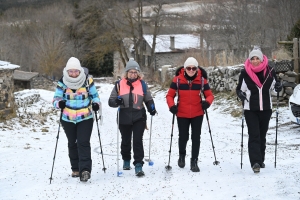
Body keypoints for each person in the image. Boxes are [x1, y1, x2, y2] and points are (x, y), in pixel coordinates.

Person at [52, 57, 101, 182]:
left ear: (80, 71)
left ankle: (85, 170)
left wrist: (96, 104)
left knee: (83, 142)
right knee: (72, 143)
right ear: (67, 71)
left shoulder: (87, 81)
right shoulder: (62, 82)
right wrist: (59, 104)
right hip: (68, 119)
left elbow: (95, 96)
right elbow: (55, 99)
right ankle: (75, 168)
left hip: (85, 117)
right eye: (71, 71)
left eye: (76, 71)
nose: (73, 74)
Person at [236, 46, 282, 173]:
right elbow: (239, 89)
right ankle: (255, 162)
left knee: (262, 135)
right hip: (250, 109)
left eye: (257, 58)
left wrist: (278, 87)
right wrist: (240, 94)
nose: (255, 61)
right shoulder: (245, 72)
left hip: (266, 108)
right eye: (253, 59)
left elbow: (274, 88)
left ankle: (261, 159)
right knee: (254, 134)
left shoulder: (270, 71)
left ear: (262, 59)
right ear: (249, 60)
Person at [108, 58, 156, 177]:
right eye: (131, 72)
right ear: (127, 73)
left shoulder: (142, 84)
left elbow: (148, 99)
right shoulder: (119, 84)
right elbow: (111, 101)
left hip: (139, 116)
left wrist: (152, 107)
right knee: (125, 140)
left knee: (137, 141)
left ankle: (138, 165)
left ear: (138, 73)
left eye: (135, 72)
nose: (133, 74)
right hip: (124, 116)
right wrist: (117, 101)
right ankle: (126, 159)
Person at [166, 57, 214, 172]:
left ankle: (194, 161)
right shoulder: (177, 80)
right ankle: (182, 156)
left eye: (193, 68)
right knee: (183, 137)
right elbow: (169, 95)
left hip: (198, 113)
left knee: (196, 137)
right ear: (184, 68)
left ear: (197, 69)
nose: (191, 70)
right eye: (189, 68)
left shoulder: (202, 80)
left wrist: (207, 103)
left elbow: (210, 95)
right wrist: (171, 106)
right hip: (182, 113)